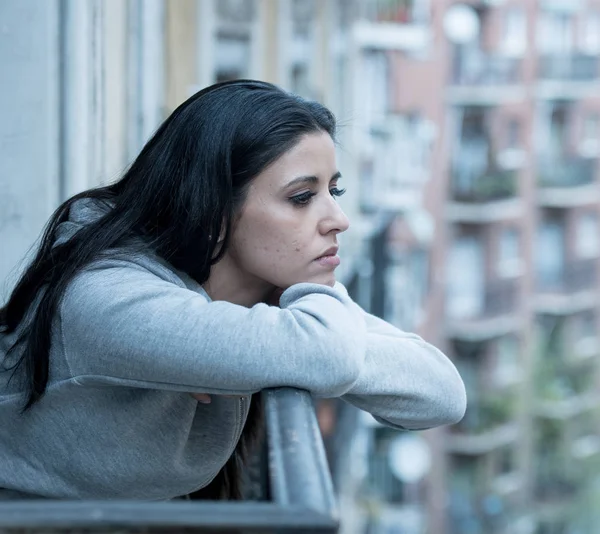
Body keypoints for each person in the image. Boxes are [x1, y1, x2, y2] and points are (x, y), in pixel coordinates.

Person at [0, 80, 466, 501]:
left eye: (334, 192)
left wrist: (301, 324)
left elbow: (441, 392)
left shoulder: (267, 292)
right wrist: (310, 328)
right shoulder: (107, 297)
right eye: (302, 197)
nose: (337, 220)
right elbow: (330, 355)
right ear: (214, 209)